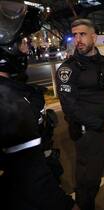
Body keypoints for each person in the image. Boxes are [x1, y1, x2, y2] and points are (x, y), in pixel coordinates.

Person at [0, 1, 78, 209]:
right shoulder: (9, 100)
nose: (27, 48)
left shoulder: (12, 91)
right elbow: (30, 173)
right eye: (22, 42)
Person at [56, 18, 104, 210]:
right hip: (90, 132)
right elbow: (70, 107)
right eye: (75, 35)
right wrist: (101, 124)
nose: (78, 39)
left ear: (94, 36)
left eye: (82, 34)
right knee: (88, 177)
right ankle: (86, 205)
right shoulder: (68, 69)